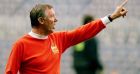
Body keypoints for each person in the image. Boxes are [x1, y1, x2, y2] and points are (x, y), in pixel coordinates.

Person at [5, 0, 128, 74]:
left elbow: (84, 31)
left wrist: (111, 17)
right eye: (52, 16)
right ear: (41, 20)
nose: (56, 19)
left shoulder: (58, 39)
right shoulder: (21, 44)